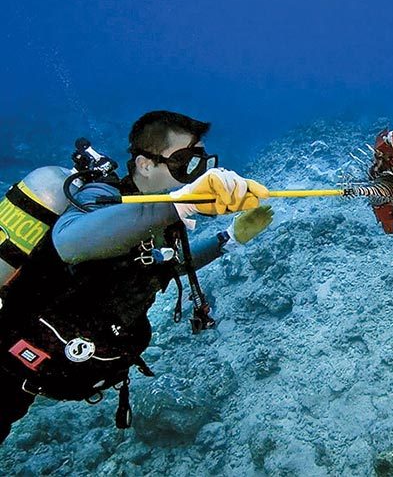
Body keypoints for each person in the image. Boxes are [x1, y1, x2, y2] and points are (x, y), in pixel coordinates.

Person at [0, 110, 273, 442]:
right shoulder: (102, 196)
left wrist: (227, 239)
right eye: (185, 162)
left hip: (38, 373)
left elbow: (163, 266)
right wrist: (180, 204)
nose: (195, 173)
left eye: (201, 163)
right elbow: (70, 241)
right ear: (146, 164)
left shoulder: (160, 215)